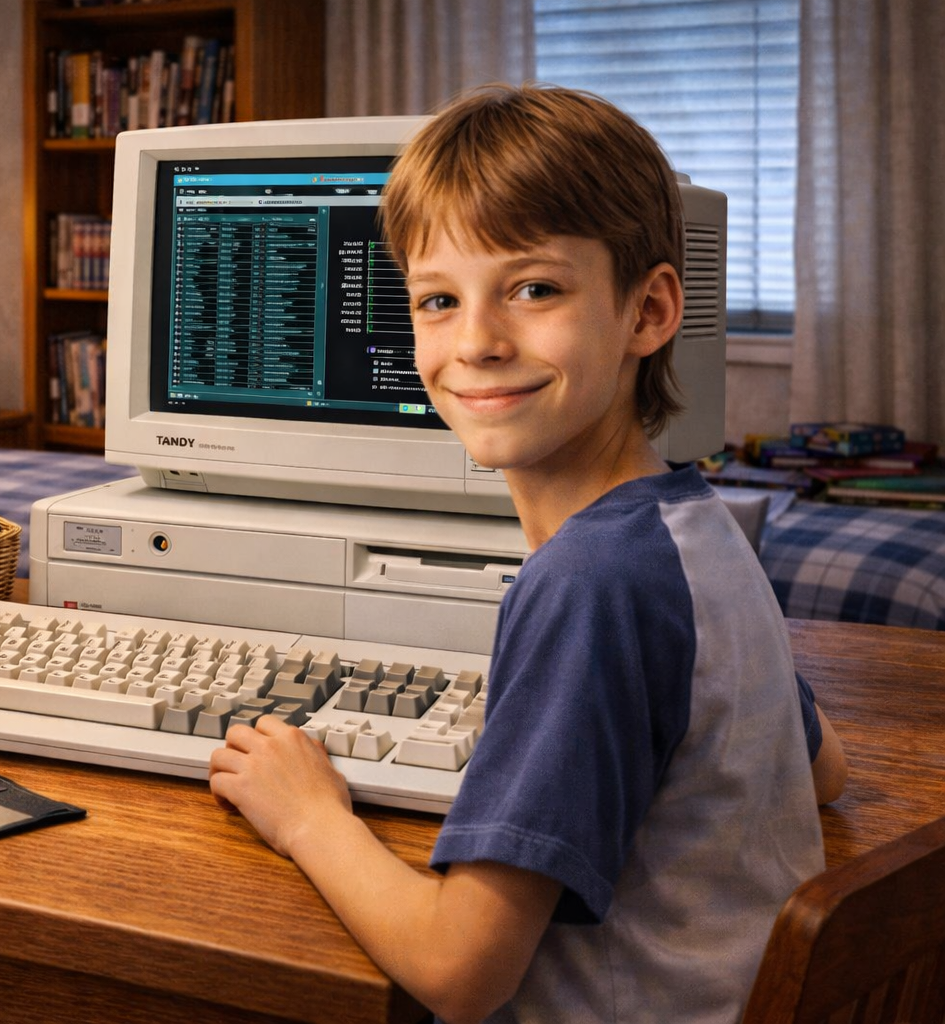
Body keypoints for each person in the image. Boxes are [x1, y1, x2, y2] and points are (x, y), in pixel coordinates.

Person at [207, 83, 849, 1024]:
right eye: (437, 299)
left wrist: (309, 814)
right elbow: (821, 768)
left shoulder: (591, 583)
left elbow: (461, 972)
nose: (475, 343)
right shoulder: (693, 525)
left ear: (649, 311)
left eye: (534, 288)